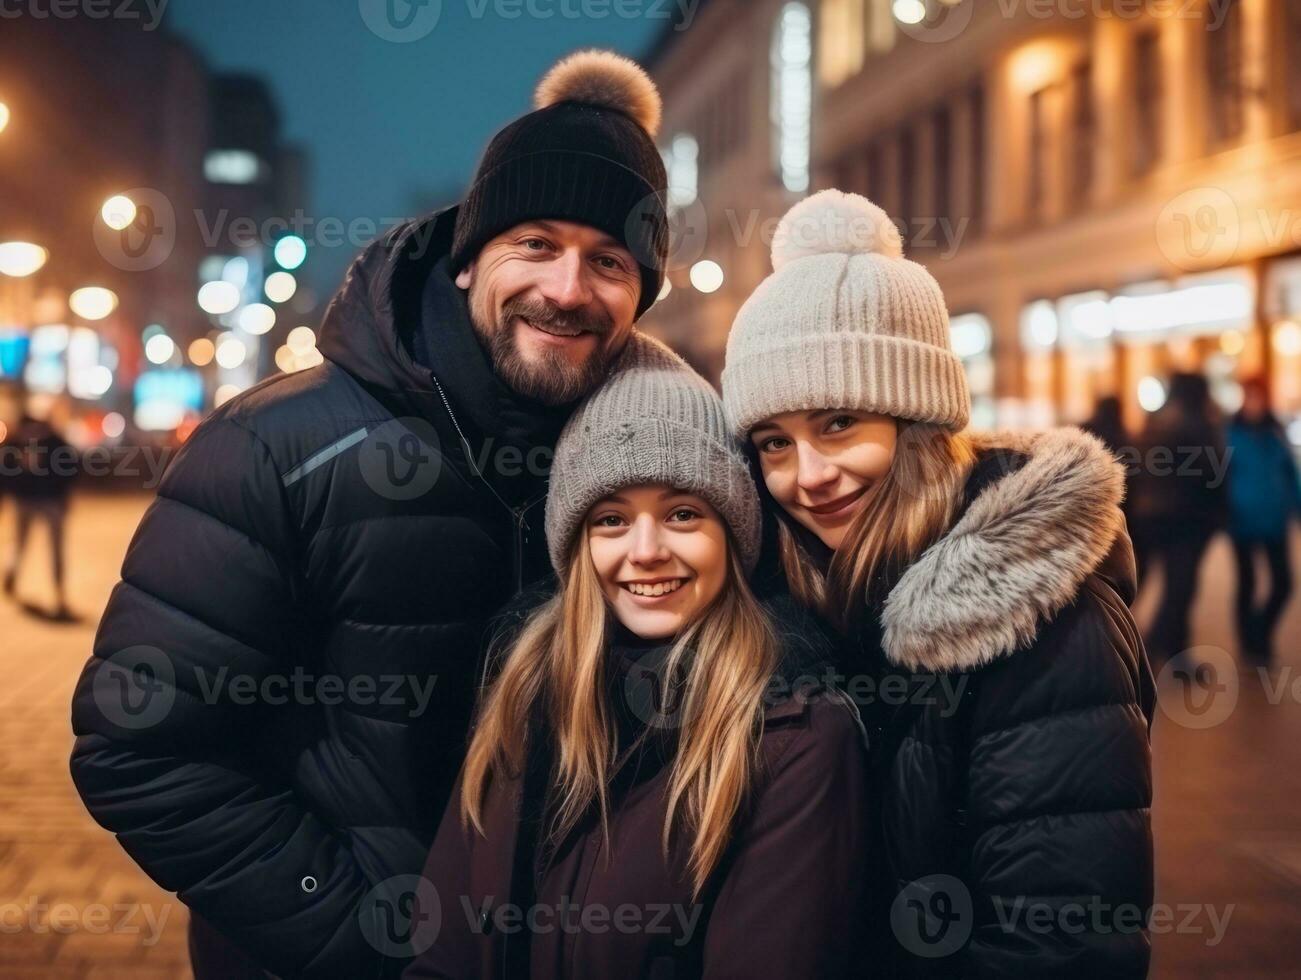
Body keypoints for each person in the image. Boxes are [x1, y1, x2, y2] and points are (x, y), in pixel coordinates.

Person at [69, 49, 670, 980]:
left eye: (609, 261)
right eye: (536, 244)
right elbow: (140, 749)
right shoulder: (276, 445)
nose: (567, 288)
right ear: (469, 260)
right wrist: (360, 941)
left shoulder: (651, 472)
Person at [721, 190, 1156, 978]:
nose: (805, 476)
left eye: (839, 423)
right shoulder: (794, 592)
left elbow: (1059, 943)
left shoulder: (1048, 615)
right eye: (772, 442)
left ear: (915, 423)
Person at [405, 337, 869, 980]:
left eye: (682, 514)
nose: (645, 551)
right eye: (611, 521)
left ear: (733, 537)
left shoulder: (793, 733)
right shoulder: (526, 689)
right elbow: (442, 954)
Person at [1130, 371, 1228, 664]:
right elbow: (1213, 474)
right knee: (1180, 590)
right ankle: (1150, 653)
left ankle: (1175, 653)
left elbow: (1135, 470)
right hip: (1187, 519)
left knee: (1163, 585)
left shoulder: (1154, 421)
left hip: (1150, 517)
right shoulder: (1198, 423)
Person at [1226, 377, 1300, 662]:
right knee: (1247, 582)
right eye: (1250, 396)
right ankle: (1249, 644)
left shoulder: (1276, 431)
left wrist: (1296, 507)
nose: (1254, 403)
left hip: (1274, 519)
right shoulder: (1230, 432)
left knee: (1283, 583)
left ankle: (1260, 631)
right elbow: (1218, 478)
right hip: (1241, 520)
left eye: (1259, 396)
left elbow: (1289, 474)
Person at [3, 402, 76, 619]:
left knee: (22, 543)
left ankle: (14, 576)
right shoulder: (53, 440)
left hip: (34, 500)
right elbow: (70, 469)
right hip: (45, 500)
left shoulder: (17, 441)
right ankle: (59, 593)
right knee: (48, 547)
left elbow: (6, 473)